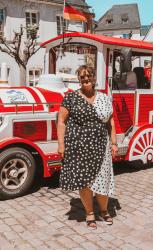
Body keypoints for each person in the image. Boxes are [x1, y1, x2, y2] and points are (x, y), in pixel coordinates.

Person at [57, 65, 118, 229]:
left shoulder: (104, 98)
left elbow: (110, 122)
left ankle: (104, 211)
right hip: (78, 147)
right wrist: (61, 144)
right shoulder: (70, 98)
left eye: (89, 76)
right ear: (79, 79)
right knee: (84, 181)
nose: (86, 79)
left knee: (102, 180)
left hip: (101, 147)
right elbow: (61, 121)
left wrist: (113, 142)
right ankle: (89, 212)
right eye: (82, 76)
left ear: (94, 78)